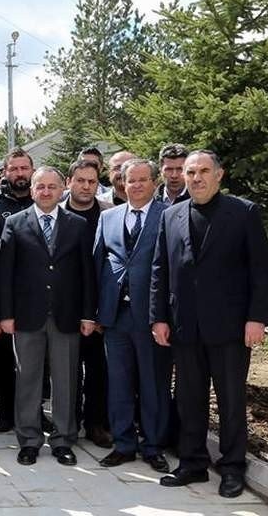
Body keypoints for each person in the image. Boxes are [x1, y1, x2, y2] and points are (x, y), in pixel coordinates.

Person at [151, 150, 268, 498]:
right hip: (184, 326)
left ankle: (233, 467)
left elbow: (261, 270)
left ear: (219, 175)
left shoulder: (243, 213)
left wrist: (257, 318)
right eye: (191, 172)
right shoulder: (171, 215)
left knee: (231, 400)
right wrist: (158, 317)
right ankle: (192, 463)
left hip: (231, 327)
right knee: (189, 399)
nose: (197, 178)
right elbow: (161, 269)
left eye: (204, 171)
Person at [0, 166, 96, 467]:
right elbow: (5, 273)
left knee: (66, 379)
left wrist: (88, 314)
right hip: (27, 316)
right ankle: (28, 439)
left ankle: (64, 440)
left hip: (66, 315)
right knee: (28, 379)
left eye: (52, 187)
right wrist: (6, 314)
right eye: (40, 187)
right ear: (32, 189)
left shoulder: (77, 224)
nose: (46, 192)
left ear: (62, 189)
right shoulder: (15, 222)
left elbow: (87, 274)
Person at [93, 159, 171, 473]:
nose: (135, 186)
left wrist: (164, 315)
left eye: (142, 180)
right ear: (121, 183)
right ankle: (124, 444)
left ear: (154, 182)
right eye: (130, 180)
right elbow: (98, 263)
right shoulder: (108, 217)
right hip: (116, 315)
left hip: (152, 316)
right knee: (119, 382)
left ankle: (153, 446)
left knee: (153, 383)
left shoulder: (168, 214)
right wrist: (96, 311)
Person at [0, 148, 35, 433]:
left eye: (24, 168)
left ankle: (33, 412)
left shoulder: (43, 199)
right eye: (14, 169)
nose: (19, 174)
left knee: (36, 360)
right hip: (1, 292)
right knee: (0, 357)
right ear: (4, 173)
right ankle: (6, 410)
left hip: (35, 293)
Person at [62, 159, 114, 449]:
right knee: (67, 371)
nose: (85, 186)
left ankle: (96, 423)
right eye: (80, 180)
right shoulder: (56, 213)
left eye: (91, 182)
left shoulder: (109, 214)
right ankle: (68, 423)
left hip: (99, 305)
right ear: (69, 181)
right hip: (65, 307)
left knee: (98, 369)